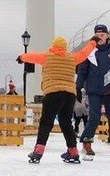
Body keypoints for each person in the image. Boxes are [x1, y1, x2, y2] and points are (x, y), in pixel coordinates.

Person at [19, 36, 98, 164]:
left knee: (46, 123)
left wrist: (21, 57)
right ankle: (73, 152)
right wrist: (93, 42)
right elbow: (84, 53)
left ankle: (38, 151)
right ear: (65, 48)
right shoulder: (72, 58)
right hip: (69, 95)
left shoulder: (47, 57)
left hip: (53, 93)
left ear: (53, 46)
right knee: (66, 123)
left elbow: (31, 57)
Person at [76, 25, 110, 160]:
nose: (100, 37)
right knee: (94, 117)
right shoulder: (90, 51)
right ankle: (87, 141)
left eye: (103, 35)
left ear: (108, 36)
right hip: (94, 89)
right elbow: (82, 70)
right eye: (98, 35)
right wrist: (78, 86)